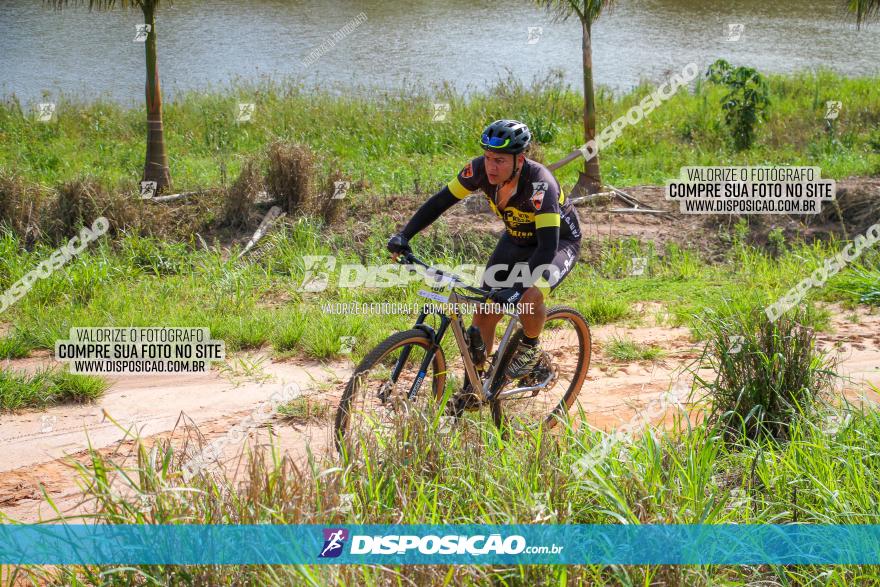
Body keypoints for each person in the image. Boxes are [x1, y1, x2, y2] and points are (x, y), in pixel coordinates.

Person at [387, 119, 582, 406]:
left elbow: (546, 249)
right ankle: (473, 391)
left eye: (500, 160)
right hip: (516, 239)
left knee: (529, 295)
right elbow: (440, 202)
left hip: (556, 244)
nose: (491, 167)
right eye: (489, 158)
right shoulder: (478, 170)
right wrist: (404, 235)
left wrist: (516, 291)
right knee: (484, 314)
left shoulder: (541, 185)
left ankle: (530, 347)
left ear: (520, 159)